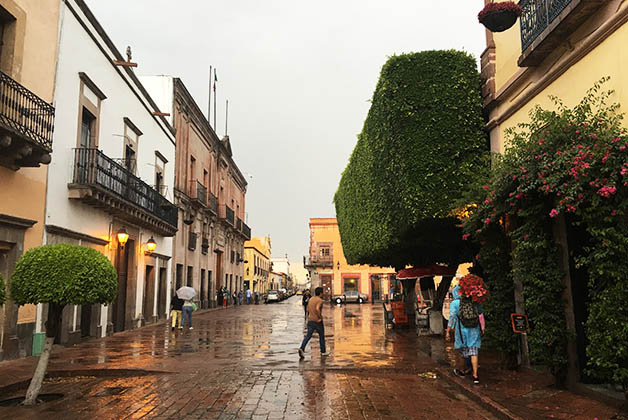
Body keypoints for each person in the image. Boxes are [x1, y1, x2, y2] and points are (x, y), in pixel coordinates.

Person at [445, 285, 483, 384]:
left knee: (462, 352)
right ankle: (475, 375)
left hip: (461, 331)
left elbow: (452, 317)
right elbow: (480, 314)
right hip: (474, 329)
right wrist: (482, 328)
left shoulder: (455, 303)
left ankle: (462, 371)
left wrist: (448, 330)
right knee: (474, 351)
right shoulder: (475, 301)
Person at [298, 287, 330, 358]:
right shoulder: (320, 300)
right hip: (317, 321)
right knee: (321, 336)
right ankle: (323, 351)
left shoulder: (311, 299)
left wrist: (310, 316)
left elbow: (307, 309)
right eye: (323, 293)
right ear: (321, 293)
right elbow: (317, 308)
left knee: (308, 336)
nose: (323, 294)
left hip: (310, 320)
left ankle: (302, 348)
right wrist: (320, 317)